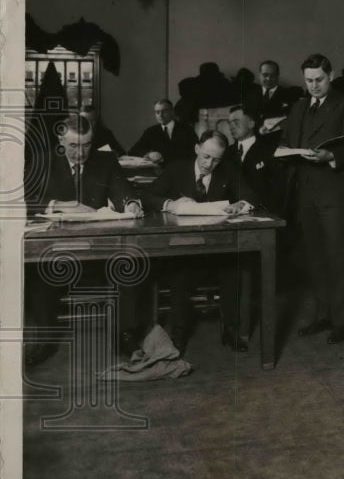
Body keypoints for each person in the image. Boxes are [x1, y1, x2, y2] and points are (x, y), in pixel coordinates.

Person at [25, 114, 145, 365]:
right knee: (37, 273)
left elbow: (123, 189)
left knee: (130, 265)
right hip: (57, 252)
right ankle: (45, 340)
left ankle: (126, 336)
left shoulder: (106, 160)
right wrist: (61, 205)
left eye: (87, 145)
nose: (81, 152)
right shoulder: (44, 161)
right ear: (61, 141)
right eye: (73, 146)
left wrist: (131, 203)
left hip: (98, 252)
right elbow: (25, 200)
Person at [142, 131, 256, 354]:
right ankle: (180, 331)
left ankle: (231, 330)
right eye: (205, 156)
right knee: (180, 272)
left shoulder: (229, 170)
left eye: (215, 160)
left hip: (217, 248)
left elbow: (251, 197)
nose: (209, 164)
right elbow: (147, 196)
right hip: (182, 247)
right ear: (196, 149)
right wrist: (170, 204)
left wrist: (240, 204)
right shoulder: (176, 169)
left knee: (233, 268)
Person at [279, 53, 344, 345]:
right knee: (314, 259)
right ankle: (323, 315)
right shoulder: (299, 107)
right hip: (305, 193)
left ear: (331, 75)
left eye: (319, 80)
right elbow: (287, 140)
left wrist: (331, 155)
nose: (314, 86)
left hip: (334, 193)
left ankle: (342, 322)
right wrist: (283, 149)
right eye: (309, 81)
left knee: (336, 258)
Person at [226, 104, 281, 213]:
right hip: (230, 213)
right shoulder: (226, 153)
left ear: (251, 123)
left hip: (262, 213)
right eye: (229, 123)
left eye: (236, 122)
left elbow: (277, 190)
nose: (231, 126)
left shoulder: (270, 151)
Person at [128, 99, 198, 164]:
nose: (160, 115)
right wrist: (149, 154)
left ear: (172, 112)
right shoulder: (151, 131)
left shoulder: (187, 130)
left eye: (164, 111)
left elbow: (195, 152)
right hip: (159, 172)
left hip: (181, 169)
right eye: (157, 112)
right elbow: (133, 151)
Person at [245, 60, 303, 131]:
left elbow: (292, 121)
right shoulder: (250, 94)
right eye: (265, 75)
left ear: (277, 76)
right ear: (260, 75)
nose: (268, 79)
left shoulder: (288, 95)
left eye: (272, 75)